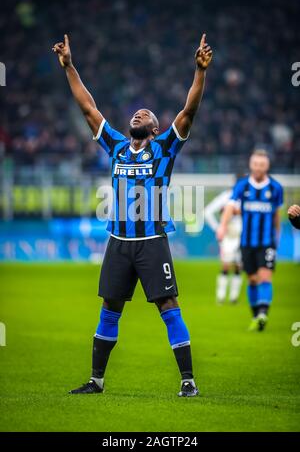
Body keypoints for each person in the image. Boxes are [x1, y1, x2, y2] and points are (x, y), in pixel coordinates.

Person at [52, 33, 213, 397]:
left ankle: (188, 381)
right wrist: (69, 67)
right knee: (110, 307)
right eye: (136, 112)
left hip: (153, 242)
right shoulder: (116, 146)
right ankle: (96, 381)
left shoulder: (166, 149)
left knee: (168, 305)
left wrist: (199, 73)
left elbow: (189, 111)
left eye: (147, 114)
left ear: (155, 129)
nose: (138, 114)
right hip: (118, 242)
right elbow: (88, 108)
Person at [217, 150, 283, 331]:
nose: (258, 168)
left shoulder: (276, 188)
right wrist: (222, 226)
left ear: (267, 166)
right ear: (251, 165)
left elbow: (277, 214)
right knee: (252, 279)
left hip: (267, 241)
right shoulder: (242, 185)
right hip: (246, 242)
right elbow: (230, 207)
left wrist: (278, 234)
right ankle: (256, 315)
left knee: (265, 276)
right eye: (255, 164)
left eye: (262, 165)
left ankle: (263, 313)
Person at [204, 182, 242, 304]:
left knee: (238, 266)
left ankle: (233, 297)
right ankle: (220, 296)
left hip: (241, 235)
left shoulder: (246, 197)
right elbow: (207, 211)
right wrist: (218, 227)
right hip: (228, 236)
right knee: (225, 265)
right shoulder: (226, 197)